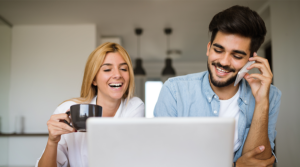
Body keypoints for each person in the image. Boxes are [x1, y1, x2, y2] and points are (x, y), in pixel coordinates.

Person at [154, 5, 281, 167]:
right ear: (209, 48)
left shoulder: (270, 96)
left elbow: (261, 163)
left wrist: (261, 103)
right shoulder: (174, 91)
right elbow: (161, 159)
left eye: (236, 55)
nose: (223, 62)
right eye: (218, 50)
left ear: (251, 60)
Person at [36, 42, 145, 167]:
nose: (118, 75)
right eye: (107, 69)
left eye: (123, 69)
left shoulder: (134, 108)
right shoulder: (67, 109)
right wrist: (52, 142)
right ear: (93, 79)